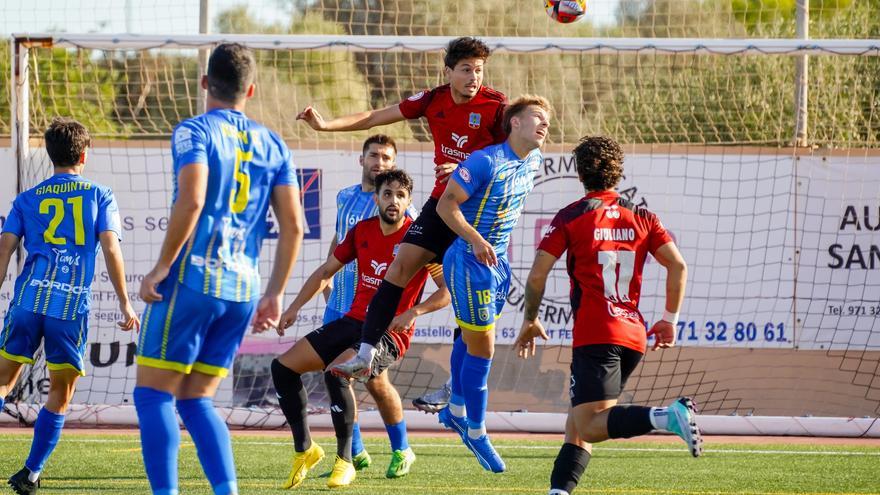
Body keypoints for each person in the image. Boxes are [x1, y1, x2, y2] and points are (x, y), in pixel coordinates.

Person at [299, 39, 507, 410]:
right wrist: (327, 125)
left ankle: (456, 387)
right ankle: (366, 351)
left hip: (476, 214)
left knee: (467, 296)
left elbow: (512, 160)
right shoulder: (433, 99)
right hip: (440, 207)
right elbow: (376, 116)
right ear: (449, 72)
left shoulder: (495, 106)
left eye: (479, 70)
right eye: (466, 69)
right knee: (399, 267)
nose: (474, 77)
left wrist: (470, 170)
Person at [134, 43, 304, 495]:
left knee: (153, 396)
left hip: (194, 279)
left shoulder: (194, 132)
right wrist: (275, 293)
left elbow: (191, 201)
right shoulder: (274, 144)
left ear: (205, 83)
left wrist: (159, 269)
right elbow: (294, 227)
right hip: (242, 291)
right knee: (196, 399)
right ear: (251, 89)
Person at [513, 136, 701, 495]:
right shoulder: (643, 216)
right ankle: (559, 492)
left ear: (580, 174)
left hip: (596, 332)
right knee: (578, 421)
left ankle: (666, 416)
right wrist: (669, 320)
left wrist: (530, 318)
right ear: (618, 172)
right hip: (632, 335)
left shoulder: (573, 215)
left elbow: (537, 274)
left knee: (591, 427)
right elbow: (678, 265)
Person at [269, 170, 450, 488]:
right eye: (387, 194)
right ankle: (306, 450)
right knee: (282, 367)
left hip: (389, 332)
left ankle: (346, 461)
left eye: (400, 195)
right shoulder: (361, 231)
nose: (394, 200)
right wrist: (294, 307)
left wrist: (413, 312)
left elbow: (446, 291)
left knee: (337, 373)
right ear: (377, 198)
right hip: (353, 321)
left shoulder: (420, 239)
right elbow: (326, 270)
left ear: (409, 201)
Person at [0, 117, 140, 494]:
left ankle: (30, 473)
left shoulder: (27, 199)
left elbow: (4, 249)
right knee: (61, 391)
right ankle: (30, 473)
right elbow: (111, 248)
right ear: (83, 153)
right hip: (69, 306)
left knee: (1, 382)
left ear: (50, 155)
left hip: (28, 301)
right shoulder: (100, 195)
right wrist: (125, 303)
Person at [434, 95, 552, 474]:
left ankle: (454, 410)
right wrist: (474, 238)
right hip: (470, 260)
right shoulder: (486, 160)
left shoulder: (533, 159)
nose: (545, 124)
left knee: (467, 339)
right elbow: (445, 206)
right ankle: (477, 429)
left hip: (496, 261)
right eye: (537, 117)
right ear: (514, 123)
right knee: (483, 347)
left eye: (547, 120)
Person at [321, 134, 418, 466]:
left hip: (375, 310)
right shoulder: (344, 196)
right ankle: (355, 451)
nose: (381, 163)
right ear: (361, 160)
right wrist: (328, 275)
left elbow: (415, 255)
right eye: (374, 156)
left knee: (376, 381)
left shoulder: (402, 207)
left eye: (388, 158)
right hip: (340, 304)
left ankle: (401, 448)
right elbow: (341, 236)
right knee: (336, 375)